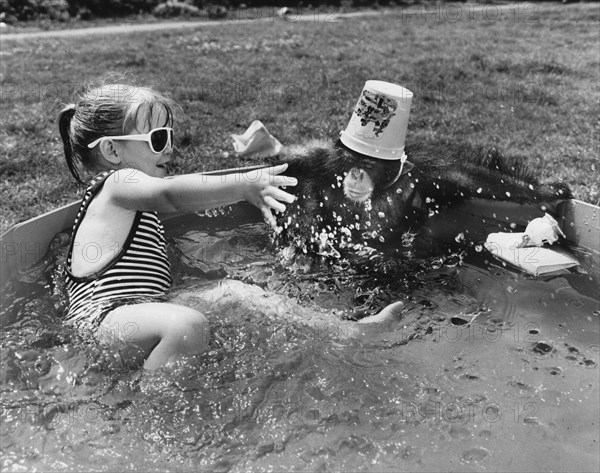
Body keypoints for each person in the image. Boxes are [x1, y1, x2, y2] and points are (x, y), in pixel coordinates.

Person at [58, 79, 297, 370]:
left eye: (170, 137)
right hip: (104, 321)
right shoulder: (117, 183)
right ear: (112, 151)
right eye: (158, 139)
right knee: (185, 325)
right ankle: (145, 406)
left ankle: (334, 328)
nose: (170, 150)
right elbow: (170, 196)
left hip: (136, 311)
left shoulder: (124, 201)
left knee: (234, 293)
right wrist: (244, 186)